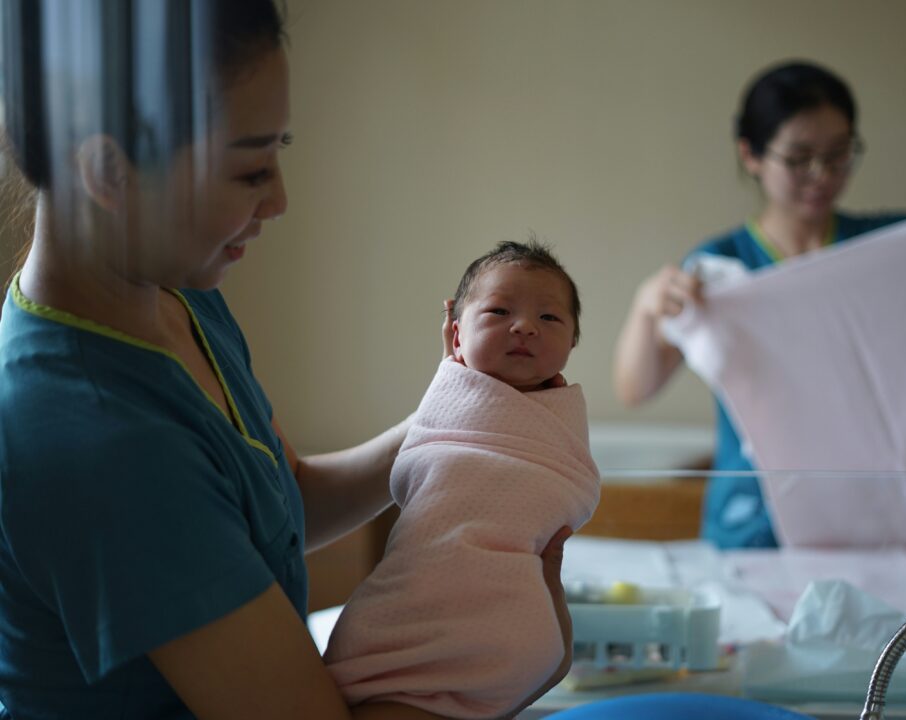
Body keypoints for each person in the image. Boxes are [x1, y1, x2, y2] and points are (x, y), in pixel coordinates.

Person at [0, 2, 571, 718]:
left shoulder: (169, 291)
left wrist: (474, 419)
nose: (279, 198)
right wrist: (515, 665)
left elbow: (278, 499)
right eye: (248, 170)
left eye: (279, 154)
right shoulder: (97, 439)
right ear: (109, 173)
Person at [612, 60, 906, 549]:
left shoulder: (889, 250)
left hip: (874, 521)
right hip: (751, 523)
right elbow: (636, 388)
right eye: (799, 158)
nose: (821, 175)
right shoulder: (717, 268)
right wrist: (646, 308)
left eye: (839, 155)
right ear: (751, 154)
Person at [324, 241, 600, 718]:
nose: (525, 326)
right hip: (419, 612)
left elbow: (568, 490)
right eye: (498, 310)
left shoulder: (561, 424)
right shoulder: (446, 407)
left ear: (573, 342)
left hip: (516, 629)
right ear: (455, 336)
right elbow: (428, 460)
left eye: (550, 319)